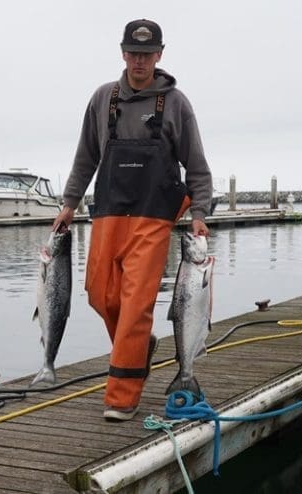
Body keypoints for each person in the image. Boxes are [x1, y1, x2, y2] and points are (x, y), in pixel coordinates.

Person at [52, 19, 213, 421]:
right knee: (101, 295)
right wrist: (69, 202)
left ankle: (122, 397)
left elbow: (196, 165)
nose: (140, 61)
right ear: (123, 53)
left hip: (153, 219)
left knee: (136, 302)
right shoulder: (102, 99)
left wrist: (199, 214)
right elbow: (85, 156)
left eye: (147, 54)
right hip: (108, 214)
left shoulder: (175, 103)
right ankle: (139, 348)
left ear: (159, 55)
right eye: (133, 53)